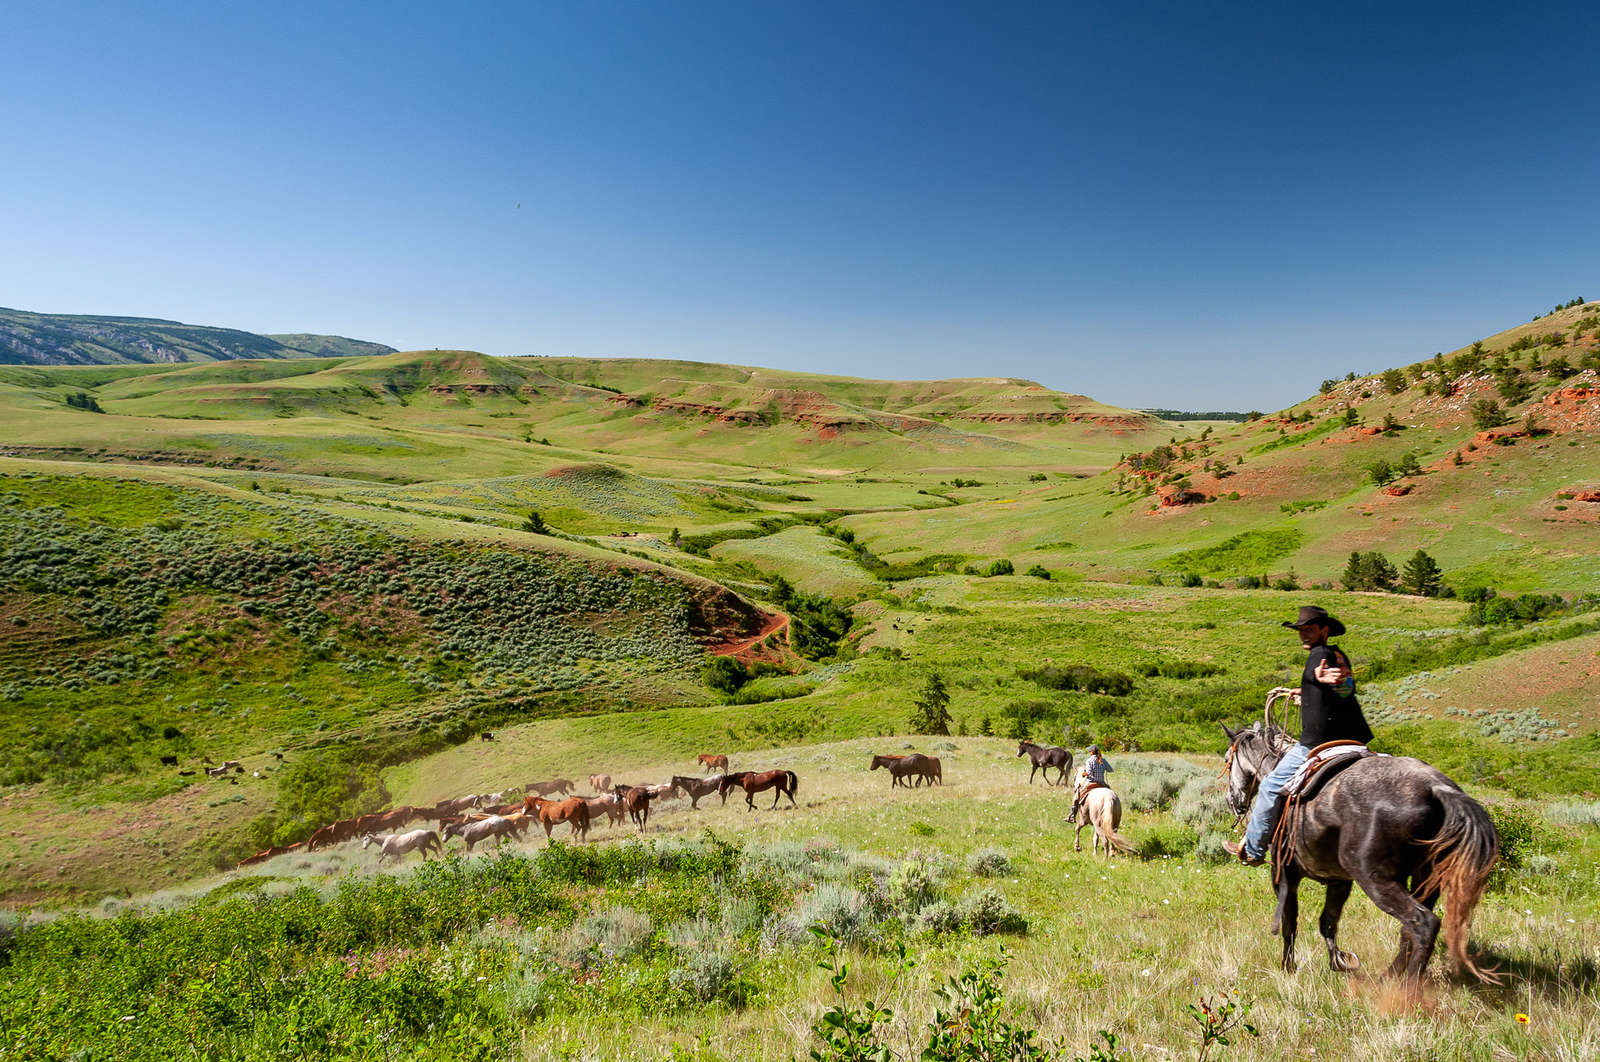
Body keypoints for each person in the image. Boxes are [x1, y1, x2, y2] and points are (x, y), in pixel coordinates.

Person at [1225, 605, 1372, 866]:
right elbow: (1342, 689)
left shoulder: (1320, 655)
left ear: (1324, 631)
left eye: (1310, 630)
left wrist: (1321, 677)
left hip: (1318, 742)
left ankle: (1254, 850)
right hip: (1354, 738)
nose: (1304, 635)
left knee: (1270, 786)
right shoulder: (1338, 655)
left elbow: (1321, 672)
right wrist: (1308, 689)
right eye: (1301, 630)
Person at [1067, 744, 1112, 822]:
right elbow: (1110, 770)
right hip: (1102, 783)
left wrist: (1083, 774)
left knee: (1076, 799)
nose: (1089, 752)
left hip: (1091, 783)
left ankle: (1072, 816)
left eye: (1089, 751)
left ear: (1091, 752)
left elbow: (1089, 772)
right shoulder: (1102, 760)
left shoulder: (1089, 760)